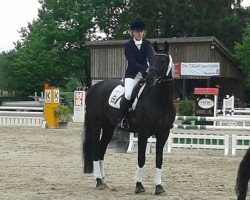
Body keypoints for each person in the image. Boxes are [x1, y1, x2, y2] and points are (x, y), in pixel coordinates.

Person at [116, 18, 154, 129]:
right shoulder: (128, 45)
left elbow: (151, 58)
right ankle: (120, 119)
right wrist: (144, 69)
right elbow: (132, 62)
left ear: (144, 33)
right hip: (132, 75)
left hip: (146, 75)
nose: (139, 33)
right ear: (133, 32)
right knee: (128, 95)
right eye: (137, 31)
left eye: (141, 31)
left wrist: (151, 68)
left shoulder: (147, 44)